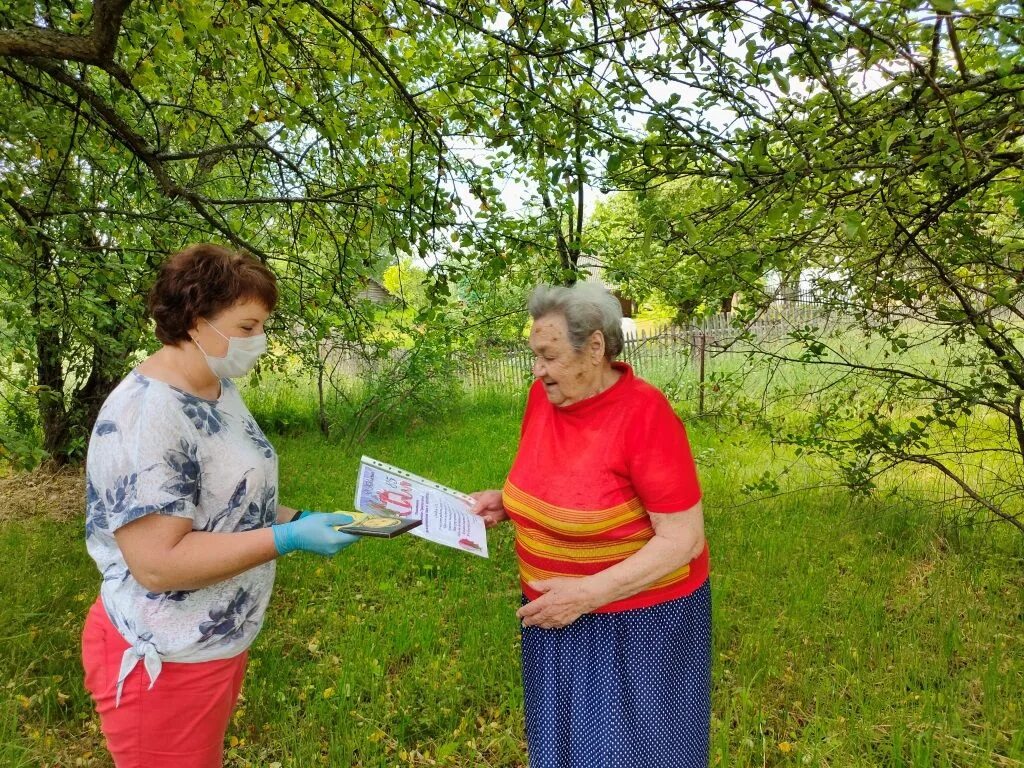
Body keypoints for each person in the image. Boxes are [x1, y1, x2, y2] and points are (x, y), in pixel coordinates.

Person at [81, 243, 358, 768]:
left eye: (263, 327)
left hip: (213, 643)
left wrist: (299, 519)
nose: (259, 341)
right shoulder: (147, 415)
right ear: (194, 320)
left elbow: (229, 501)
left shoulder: (216, 385)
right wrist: (288, 539)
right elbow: (158, 564)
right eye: (248, 327)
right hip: (164, 659)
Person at [471, 282, 710, 768]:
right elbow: (553, 477)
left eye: (549, 356)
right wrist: (509, 502)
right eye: (534, 355)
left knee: (636, 752)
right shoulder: (545, 398)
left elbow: (683, 539)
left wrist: (587, 594)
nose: (537, 370)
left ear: (595, 347)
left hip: (638, 626)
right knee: (566, 747)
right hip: (554, 616)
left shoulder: (645, 414)